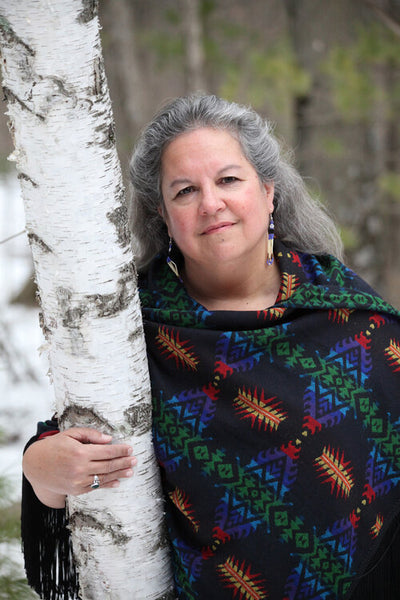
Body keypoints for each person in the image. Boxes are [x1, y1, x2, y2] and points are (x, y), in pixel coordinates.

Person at [22, 94, 400, 600]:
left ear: (268, 192)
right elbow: (70, 451)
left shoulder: (350, 318)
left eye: (228, 180)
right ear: (163, 215)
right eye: (184, 190)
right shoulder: (131, 329)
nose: (210, 203)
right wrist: (40, 469)